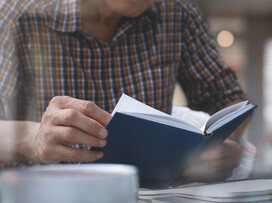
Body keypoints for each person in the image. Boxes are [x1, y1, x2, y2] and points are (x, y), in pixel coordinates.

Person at [0, 0, 251, 183]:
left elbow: (229, 100)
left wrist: (217, 148)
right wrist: (33, 138)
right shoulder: (18, 14)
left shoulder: (177, 14)